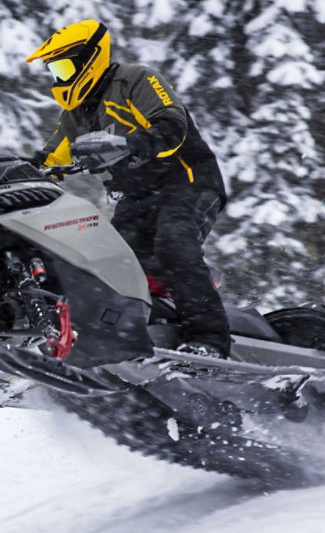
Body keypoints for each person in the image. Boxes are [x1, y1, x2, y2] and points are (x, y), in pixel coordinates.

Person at [27, 19, 232, 358]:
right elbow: (49, 158)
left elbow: (173, 123)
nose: (59, 79)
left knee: (174, 244)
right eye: (55, 72)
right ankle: (124, 337)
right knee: (104, 263)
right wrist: (15, 171)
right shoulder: (76, 115)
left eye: (63, 68)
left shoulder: (134, 80)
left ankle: (210, 340)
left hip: (186, 181)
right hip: (136, 198)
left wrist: (129, 144)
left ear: (89, 59)